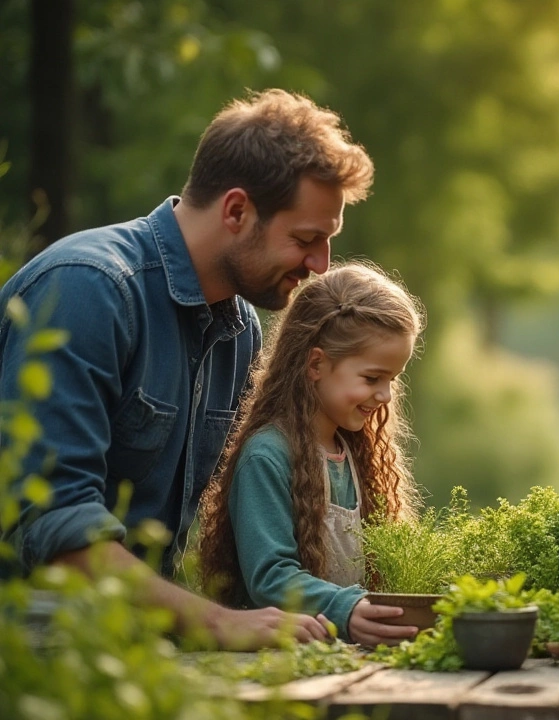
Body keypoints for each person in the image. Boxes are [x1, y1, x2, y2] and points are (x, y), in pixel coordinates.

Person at [0, 88, 375, 649]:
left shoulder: (239, 333)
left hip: (138, 641)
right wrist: (218, 622)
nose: (321, 266)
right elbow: (54, 525)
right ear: (236, 211)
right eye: (305, 239)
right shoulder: (91, 290)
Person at [197, 262, 423, 647]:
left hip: (342, 656)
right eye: (372, 378)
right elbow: (271, 577)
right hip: (277, 661)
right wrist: (347, 610)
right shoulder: (267, 456)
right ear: (316, 364)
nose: (385, 396)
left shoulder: (355, 454)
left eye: (392, 379)